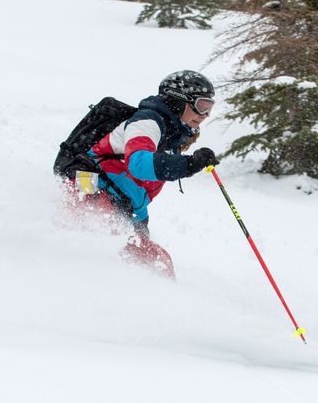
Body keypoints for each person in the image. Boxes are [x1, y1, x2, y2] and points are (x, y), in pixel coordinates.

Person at [80, 70, 220, 275]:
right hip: (89, 183)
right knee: (98, 242)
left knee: (157, 263)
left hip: (124, 203)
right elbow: (138, 164)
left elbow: (137, 191)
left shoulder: (172, 134)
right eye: (200, 107)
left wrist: (141, 226)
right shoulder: (147, 122)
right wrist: (189, 164)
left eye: (209, 109)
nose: (204, 116)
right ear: (178, 101)